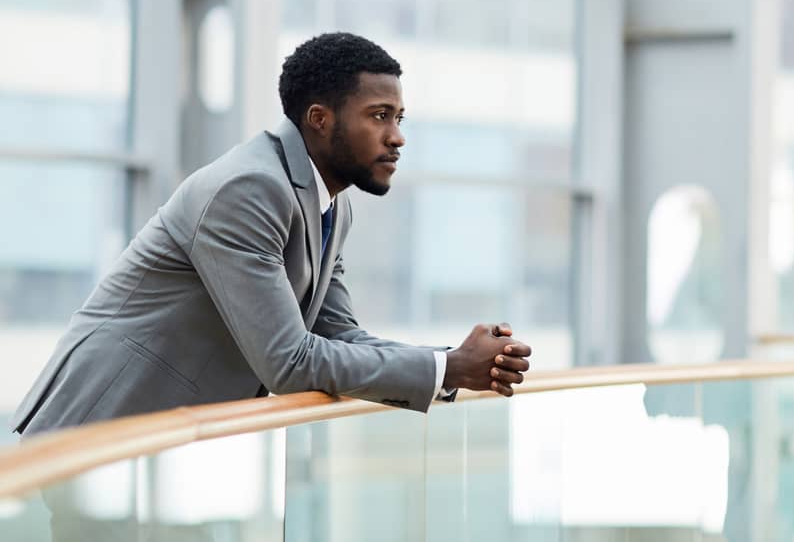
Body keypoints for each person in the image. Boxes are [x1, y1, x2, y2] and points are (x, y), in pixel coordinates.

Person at [11, 32, 531, 440]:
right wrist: (449, 367)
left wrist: (453, 365)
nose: (397, 136)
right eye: (378, 116)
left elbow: (338, 336)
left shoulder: (329, 205)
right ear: (319, 120)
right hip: (101, 432)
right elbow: (290, 360)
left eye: (398, 117)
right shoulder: (251, 189)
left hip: (167, 445)